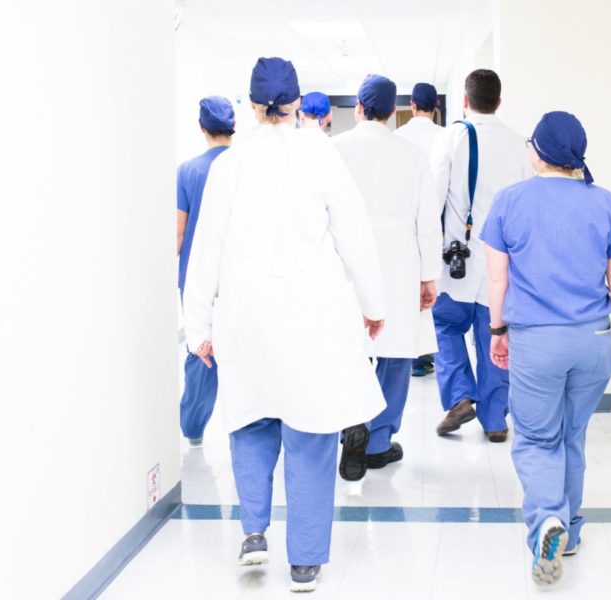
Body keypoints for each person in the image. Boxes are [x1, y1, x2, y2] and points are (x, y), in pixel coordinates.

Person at [183, 57, 387, 593]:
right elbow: (354, 235)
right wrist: (373, 304)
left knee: (250, 422)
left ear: (251, 106)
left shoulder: (230, 164)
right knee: (312, 433)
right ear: (297, 104)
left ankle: (254, 534)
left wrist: (197, 323)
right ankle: (305, 563)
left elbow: (206, 250)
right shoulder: (320, 156)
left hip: (245, 318)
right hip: (311, 318)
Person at [480, 111, 611, 585]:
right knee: (572, 436)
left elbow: (497, 280)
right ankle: (568, 532)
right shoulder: (606, 203)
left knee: (535, 439)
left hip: (537, 342)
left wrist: (497, 332)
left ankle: (546, 520)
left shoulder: (510, 202)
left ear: (538, 151)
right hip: (593, 341)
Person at [333, 75, 442, 481]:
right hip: (400, 262)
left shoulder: (335, 150)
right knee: (396, 353)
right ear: (393, 112)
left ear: (359, 109)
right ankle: (377, 442)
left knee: (350, 347)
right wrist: (429, 276)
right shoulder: (413, 154)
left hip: (346, 262)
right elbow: (428, 222)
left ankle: (350, 422)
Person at [431, 69, 533, 442]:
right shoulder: (519, 144)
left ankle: (460, 396)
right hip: (502, 266)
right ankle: (494, 420)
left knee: (444, 327)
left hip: (456, 261)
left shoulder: (453, 137)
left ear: (464, 99)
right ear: (499, 102)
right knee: (496, 337)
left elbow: (433, 198)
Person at [176, 95, 235, 447]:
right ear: (234, 128)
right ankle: (251, 426)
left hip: (197, 273)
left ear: (202, 128)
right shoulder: (247, 165)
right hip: (239, 272)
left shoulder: (188, 170)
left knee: (202, 348)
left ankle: (194, 427)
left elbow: (179, 233)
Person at [395, 82, 443, 378]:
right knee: (434, 290)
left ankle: (414, 356)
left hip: (404, 224)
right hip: (435, 221)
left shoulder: (398, 137)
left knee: (407, 289)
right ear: (436, 105)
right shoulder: (447, 136)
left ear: (411, 105)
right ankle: (429, 355)